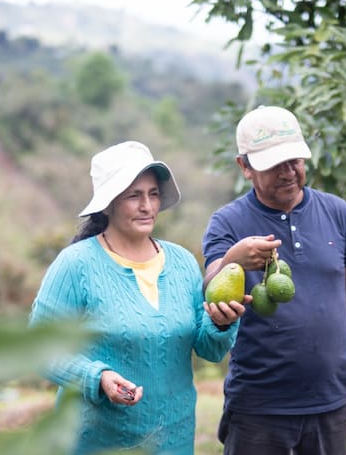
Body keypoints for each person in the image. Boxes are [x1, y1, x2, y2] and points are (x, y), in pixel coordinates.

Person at [29, 140, 248, 455]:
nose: (147, 206)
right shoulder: (76, 264)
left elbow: (208, 349)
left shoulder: (183, 262)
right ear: (109, 204)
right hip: (97, 442)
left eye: (153, 194)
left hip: (173, 440)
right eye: (134, 196)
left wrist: (221, 322)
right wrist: (97, 377)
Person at [201, 105, 346, 454]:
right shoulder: (227, 223)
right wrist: (233, 260)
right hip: (259, 406)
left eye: (295, 161)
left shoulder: (337, 212)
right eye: (274, 164)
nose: (288, 173)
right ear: (245, 167)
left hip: (331, 400)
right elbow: (212, 283)